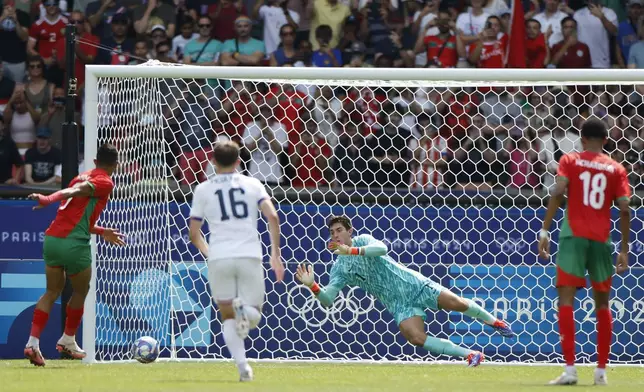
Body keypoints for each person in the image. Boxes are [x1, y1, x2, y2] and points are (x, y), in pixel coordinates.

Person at [295, 215, 514, 367]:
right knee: (415, 337)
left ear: (349, 231)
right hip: (398, 303)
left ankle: (495, 322)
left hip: (413, 284)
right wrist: (312, 285)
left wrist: (351, 250)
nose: (335, 235)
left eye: (339, 230)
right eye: (332, 232)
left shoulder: (362, 240)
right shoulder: (339, 268)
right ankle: (471, 355)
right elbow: (328, 299)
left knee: (458, 304)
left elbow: (382, 249)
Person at [538, 118, 631, 386]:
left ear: (580, 139)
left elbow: (558, 191)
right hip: (602, 241)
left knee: (566, 301)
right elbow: (625, 208)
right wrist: (624, 249)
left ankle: (570, 371)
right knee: (603, 305)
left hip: (573, 237)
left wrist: (544, 230)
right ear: (606, 140)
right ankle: (601, 372)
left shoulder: (570, 160)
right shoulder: (616, 168)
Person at [188, 141, 284, 382]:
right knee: (255, 315)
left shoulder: (203, 189)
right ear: (239, 161)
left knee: (228, 316)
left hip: (219, 256)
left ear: (213, 162)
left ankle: (243, 368)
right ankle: (245, 310)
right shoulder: (252, 184)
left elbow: (193, 232)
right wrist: (275, 254)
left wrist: (209, 253)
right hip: (249, 254)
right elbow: (272, 216)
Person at [24, 143, 125, 367]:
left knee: (51, 291)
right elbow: (73, 193)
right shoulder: (105, 182)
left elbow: (78, 216)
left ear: (95, 161)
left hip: (52, 240)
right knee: (81, 289)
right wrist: (48, 199)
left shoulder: (80, 176)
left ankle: (32, 342)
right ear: (116, 166)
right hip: (73, 245)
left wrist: (101, 231)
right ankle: (68, 339)